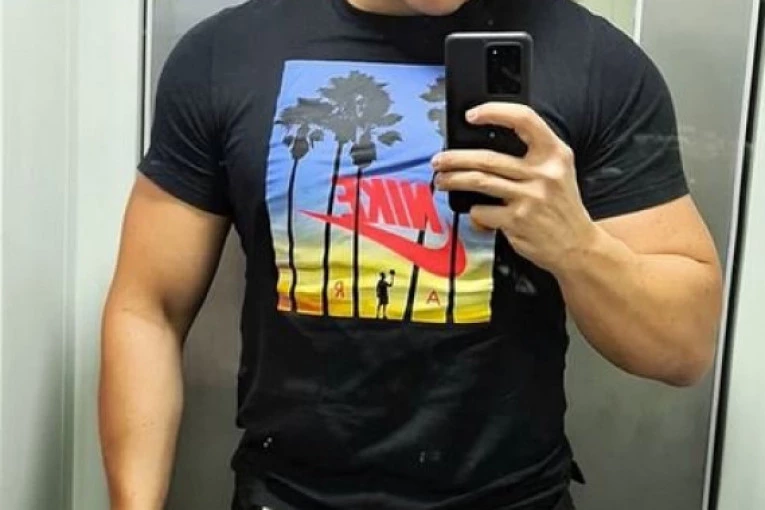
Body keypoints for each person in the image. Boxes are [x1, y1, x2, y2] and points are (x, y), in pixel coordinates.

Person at [99, 0, 724, 509]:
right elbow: (148, 309)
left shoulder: (594, 61)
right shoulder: (226, 54)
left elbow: (683, 347)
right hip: (288, 494)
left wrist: (575, 246)